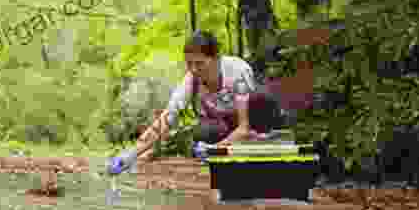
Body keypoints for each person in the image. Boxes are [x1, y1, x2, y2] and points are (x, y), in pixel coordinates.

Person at [107, 30, 314, 199]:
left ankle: (271, 154)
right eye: (189, 65)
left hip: (257, 120)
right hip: (230, 129)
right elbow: (165, 120)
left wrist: (215, 151)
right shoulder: (190, 81)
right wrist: (131, 154)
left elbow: (244, 127)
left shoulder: (238, 71)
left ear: (216, 59)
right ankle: (237, 176)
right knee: (202, 132)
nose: (194, 70)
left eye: (200, 64)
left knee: (261, 100)